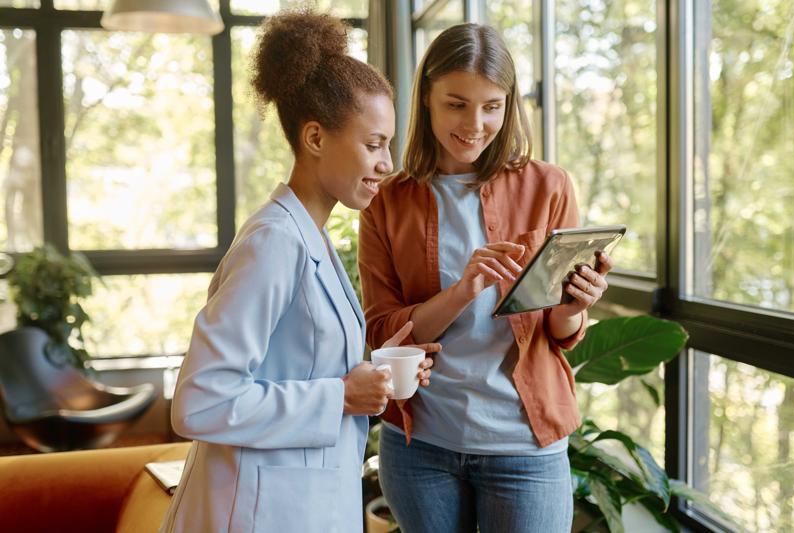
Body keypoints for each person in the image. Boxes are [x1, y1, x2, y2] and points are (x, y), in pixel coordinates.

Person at [159, 11, 437, 533]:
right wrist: (342, 395)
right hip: (254, 512)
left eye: (388, 144)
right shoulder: (274, 243)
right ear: (314, 137)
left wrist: (373, 373)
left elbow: (297, 367)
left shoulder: (311, 237)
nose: (387, 163)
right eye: (373, 144)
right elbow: (199, 401)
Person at [358, 23, 614, 533]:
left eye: (491, 106)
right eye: (456, 104)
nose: (474, 124)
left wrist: (573, 308)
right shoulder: (386, 201)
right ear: (426, 98)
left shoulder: (549, 187)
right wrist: (462, 290)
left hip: (524, 447)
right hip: (421, 448)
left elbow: (559, 334)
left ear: (509, 105)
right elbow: (383, 335)